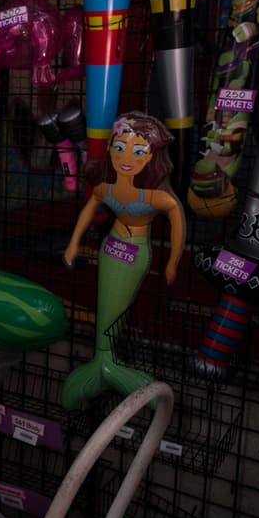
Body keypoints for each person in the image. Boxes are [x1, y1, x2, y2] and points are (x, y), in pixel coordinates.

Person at [61, 111, 185, 409]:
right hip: (111, 247)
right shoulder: (108, 187)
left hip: (134, 252)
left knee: (117, 311)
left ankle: (109, 362)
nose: (125, 156)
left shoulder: (155, 195)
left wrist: (172, 262)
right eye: (119, 148)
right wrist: (73, 243)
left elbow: (176, 216)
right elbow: (90, 206)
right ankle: (104, 362)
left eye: (138, 151)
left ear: (151, 158)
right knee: (106, 307)